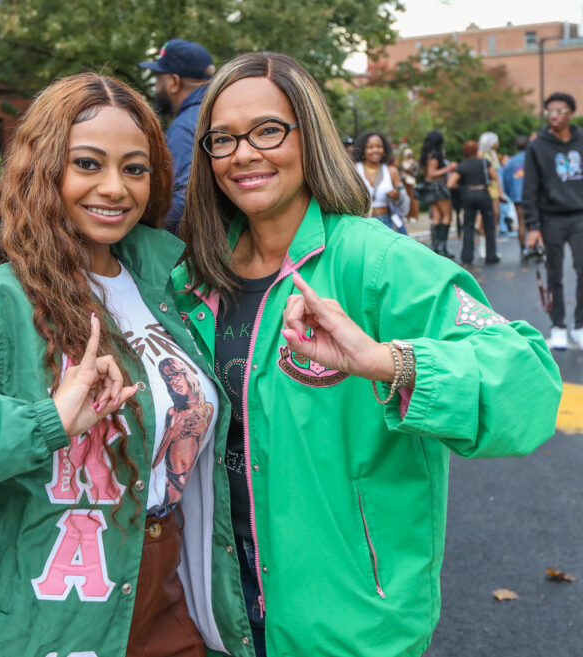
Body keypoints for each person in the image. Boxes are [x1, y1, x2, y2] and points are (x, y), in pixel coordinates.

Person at [0, 74, 251, 657]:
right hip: (34, 618)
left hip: (169, 591)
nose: (115, 188)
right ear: (44, 168)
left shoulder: (175, 278)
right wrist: (44, 419)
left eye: (135, 169)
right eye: (88, 164)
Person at [175, 51, 561, 657]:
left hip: (351, 626)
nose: (244, 153)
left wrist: (389, 362)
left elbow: (530, 388)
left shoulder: (377, 263)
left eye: (268, 130)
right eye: (222, 139)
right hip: (219, 619)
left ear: (313, 135)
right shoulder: (190, 279)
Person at [523, 92, 583, 350]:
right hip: (551, 218)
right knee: (554, 274)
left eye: (559, 110)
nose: (553, 116)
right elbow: (530, 188)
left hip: (580, 215)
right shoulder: (538, 146)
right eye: (549, 111)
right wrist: (533, 226)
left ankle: (580, 326)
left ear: (571, 113)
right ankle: (558, 326)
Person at [139, 39, 214, 233]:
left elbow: (184, 197)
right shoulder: (217, 111)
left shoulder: (184, 126)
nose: (157, 87)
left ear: (173, 82)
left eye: (158, 78)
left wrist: (148, 234)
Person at [447, 140, 501, 265]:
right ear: (477, 150)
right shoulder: (484, 163)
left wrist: (463, 188)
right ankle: (491, 255)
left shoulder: (462, 166)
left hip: (469, 195)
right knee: (489, 225)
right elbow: (494, 176)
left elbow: (450, 183)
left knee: (468, 226)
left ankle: (467, 256)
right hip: (483, 193)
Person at [354, 131, 408, 234]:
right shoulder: (355, 170)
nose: (375, 150)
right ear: (363, 149)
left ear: (384, 149)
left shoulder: (391, 171)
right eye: (370, 147)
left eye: (379, 146)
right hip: (362, 222)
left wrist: (397, 196)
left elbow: (403, 198)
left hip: (386, 222)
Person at [418, 129, 456, 257]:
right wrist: (449, 168)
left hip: (431, 188)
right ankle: (442, 247)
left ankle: (436, 248)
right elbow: (431, 173)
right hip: (438, 187)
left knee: (436, 217)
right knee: (447, 216)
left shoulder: (427, 154)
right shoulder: (435, 155)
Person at [503, 135, 529, 252]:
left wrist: (511, 195)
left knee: (521, 222)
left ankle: (523, 248)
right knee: (537, 222)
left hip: (517, 196)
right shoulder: (533, 158)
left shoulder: (510, 162)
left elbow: (505, 181)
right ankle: (537, 246)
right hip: (533, 195)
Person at [399, 147, 420, 222]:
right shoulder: (402, 163)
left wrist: (409, 172)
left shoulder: (414, 163)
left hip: (411, 182)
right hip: (404, 182)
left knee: (413, 199)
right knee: (405, 198)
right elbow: (400, 172)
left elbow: (417, 173)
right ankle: (406, 215)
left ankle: (413, 216)